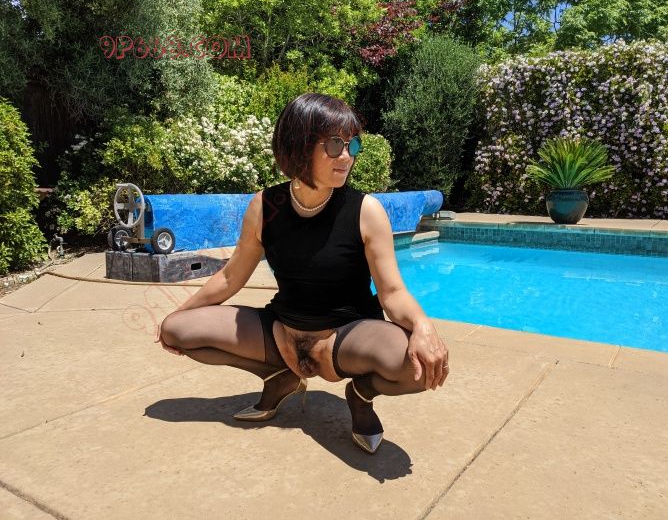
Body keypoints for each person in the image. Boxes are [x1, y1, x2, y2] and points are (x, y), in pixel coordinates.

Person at [155, 93, 449, 454]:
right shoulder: (265, 206)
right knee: (177, 330)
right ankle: (279, 376)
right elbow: (231, 277)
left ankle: (361, 395)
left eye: (353, 144)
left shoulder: (365, 210)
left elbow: (392, 293)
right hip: (282, 331)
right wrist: (178, 313)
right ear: (299, 146)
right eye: (335, 145)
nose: (347, 156)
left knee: (421, 365)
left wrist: (422, 326)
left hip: (347, 336)